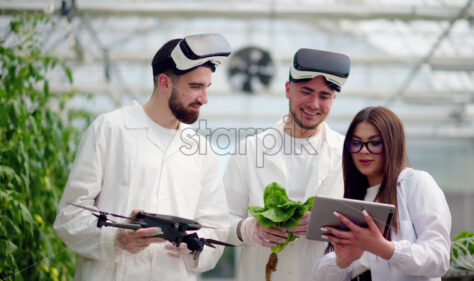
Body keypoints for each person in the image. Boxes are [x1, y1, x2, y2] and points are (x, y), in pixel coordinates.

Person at [54, 33, 232, 281]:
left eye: (206, 87)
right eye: (195, 86)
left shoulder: (202, 151)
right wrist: (116, 239)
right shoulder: (110, 129)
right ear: (164, 82)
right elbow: (69, 216)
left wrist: (193, 245)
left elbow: (216, 227)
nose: (204, 98)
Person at [224, 48, 351, 281]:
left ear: (334, 100)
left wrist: (323, 224)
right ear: (287, 90)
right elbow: (220, 223)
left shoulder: (346, 155)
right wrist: (248, 230)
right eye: (306, 92)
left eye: (324, 96)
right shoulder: (249, 150)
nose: (314, 104)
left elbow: (364, 227)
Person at [315, 106, 452, 281]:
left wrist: (384, 248)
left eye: (374, 143)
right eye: (356, 143)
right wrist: (343, 260)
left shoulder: (415, 183)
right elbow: (323, 276)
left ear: (392, 144)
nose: (364, 150)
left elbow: (438, 258)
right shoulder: (353, 198)